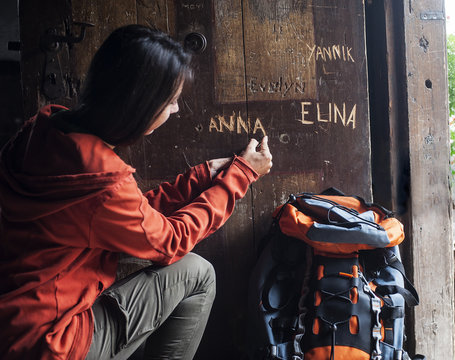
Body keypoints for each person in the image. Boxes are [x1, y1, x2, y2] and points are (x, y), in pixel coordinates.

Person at [0, 24, 272, 360]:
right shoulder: (103, 181)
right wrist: (241, 176)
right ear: (141, 105)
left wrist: (200, 177)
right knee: (198, 274)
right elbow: (171, 240)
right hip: (52, 344)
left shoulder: (43, 129)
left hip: (14, 325)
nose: (175, 111)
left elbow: (124, 214)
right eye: (171, 102)